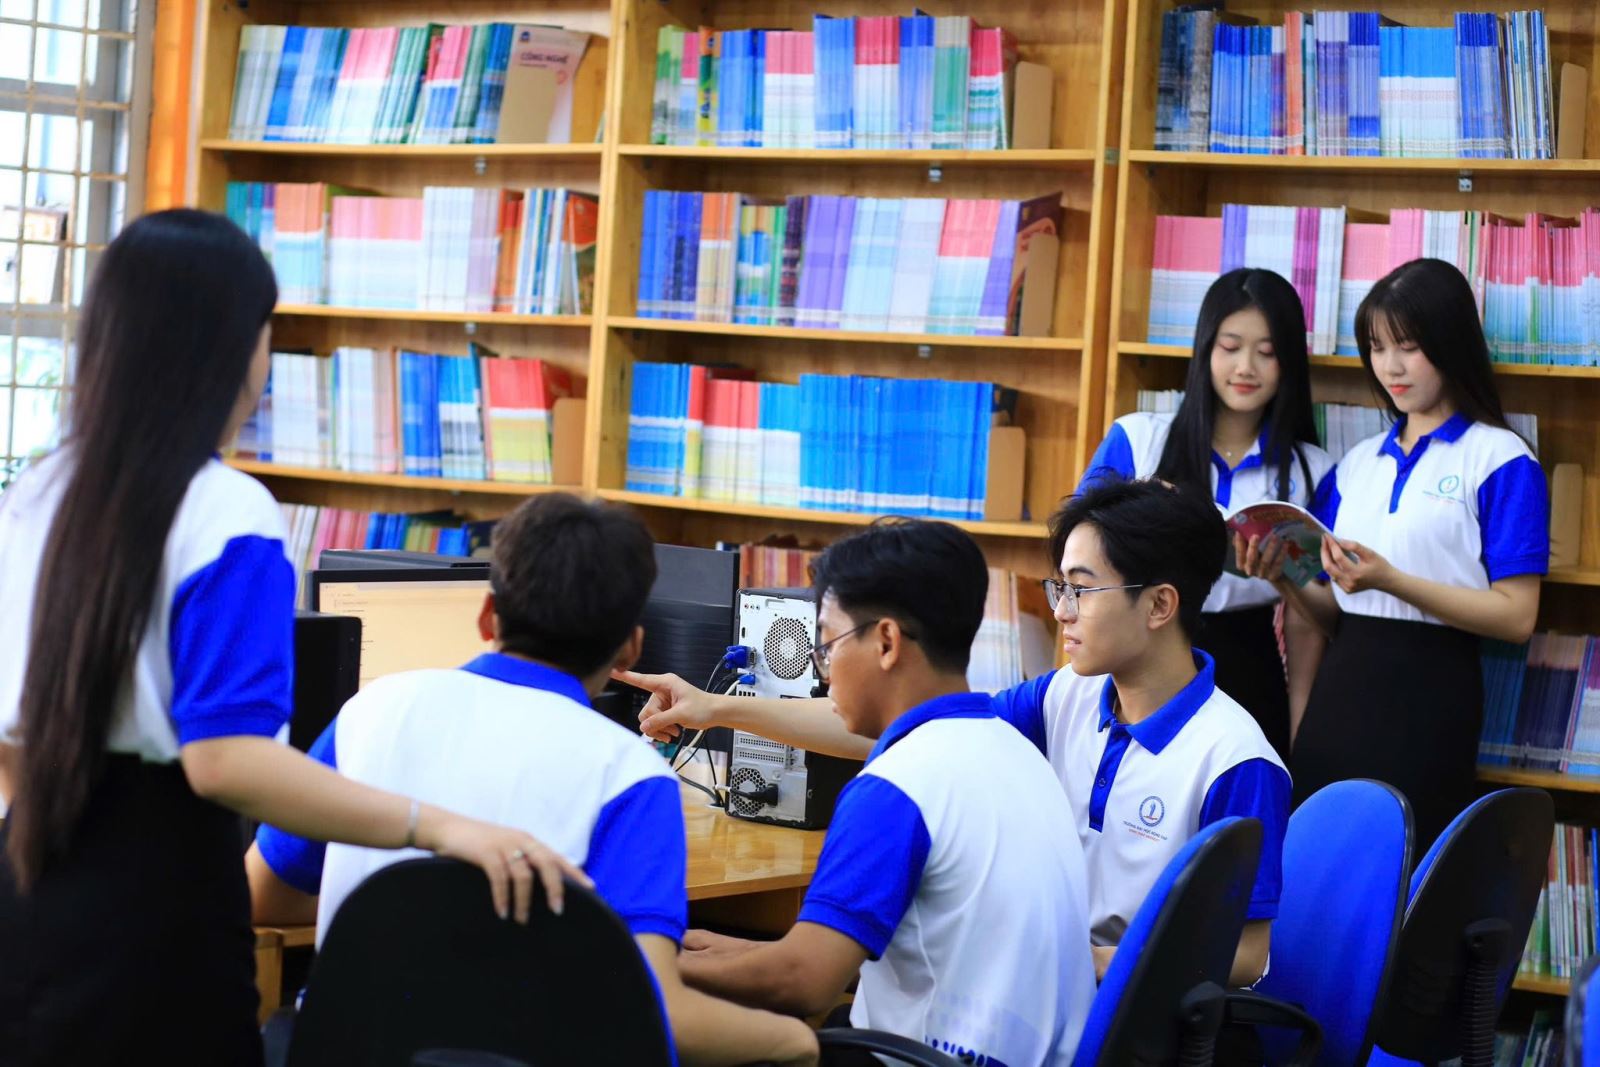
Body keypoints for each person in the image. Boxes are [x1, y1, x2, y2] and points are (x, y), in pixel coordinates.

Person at [0, 210, 581, 1067]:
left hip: (28, 880)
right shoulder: (226, 511)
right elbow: (226, 761)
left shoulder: (36, 492)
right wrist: (438, 826)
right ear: (229, 347)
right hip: (159, 913)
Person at [622, 480, 1287, 990]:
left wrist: (1089, 961)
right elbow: (917, 730)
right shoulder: (1069, 693)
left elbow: (1247, 954)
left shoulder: (1233, 758)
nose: (1060, 611)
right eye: (1059, 587)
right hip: (1041, 977)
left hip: (1115, 1010)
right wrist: (716, 708)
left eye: (1080, 591)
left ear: (1160, 604)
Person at [246, 493, 818, 1067]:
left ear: (487, 616)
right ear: (631, 647)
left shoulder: (371, 712)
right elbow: (653, 1010)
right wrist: (795, 1042)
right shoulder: (629, 775)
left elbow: (261, 896)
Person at [671, 520, 1095, 1066]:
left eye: (826, 646)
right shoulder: (1016, 751)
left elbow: (803, 984)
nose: (824, 674)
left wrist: (655, 964)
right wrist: (744, 952)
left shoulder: (899, 786)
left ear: (887, 642)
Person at [1240, 258, 1548, 850]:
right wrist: (1283, 578)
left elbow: (1517, 616)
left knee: (1407, 870)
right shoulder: (1357, 464)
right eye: (1378, 348)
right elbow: (1333, 614)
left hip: (1432, 698)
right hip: (1341, 692)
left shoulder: (1502, 459)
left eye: (1408, 347)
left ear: (1450, 343)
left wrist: (1391, 580)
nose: (1391, 367)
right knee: (1316, 864)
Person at [1080, 268, 1333, 759]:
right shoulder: (1139, 437)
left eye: (1267, 353)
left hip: (1250, 660)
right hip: (1141, 645)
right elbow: (1077, 554)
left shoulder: (1313, 471)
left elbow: (1315, 623)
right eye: (1230, 346)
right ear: (1205, 349)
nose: (1245, 367)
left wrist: (1300, 731)